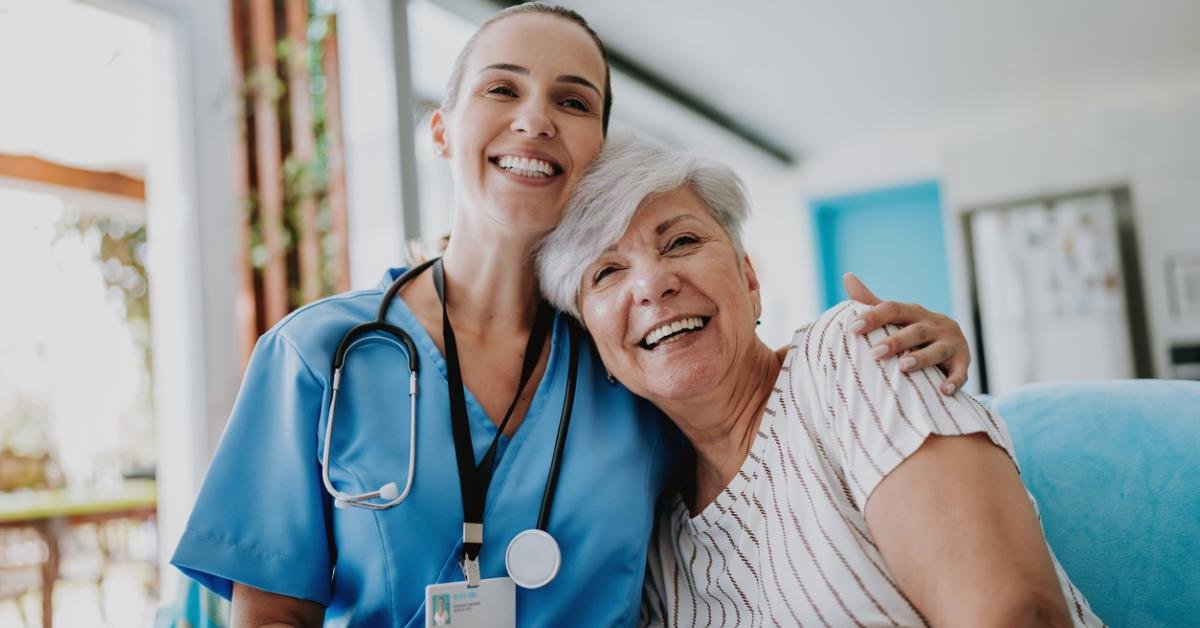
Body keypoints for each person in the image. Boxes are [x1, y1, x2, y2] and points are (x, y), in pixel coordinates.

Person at [171, 5, 973, 626]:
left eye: (572, 100)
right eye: (501, 88)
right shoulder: (319, 355)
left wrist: (886, 351)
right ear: (443, 129)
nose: (535, 118)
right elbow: (273, 613)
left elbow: (762, 418)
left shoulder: (629, 355)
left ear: (595, 149)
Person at [536, 135, 1103, 627]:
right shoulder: (650, 534)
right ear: (592, 341)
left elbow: (1016, 615)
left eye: (681, 241)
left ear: (749, 279)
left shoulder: (849, 356)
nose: (653, 284)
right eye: (607, 272)